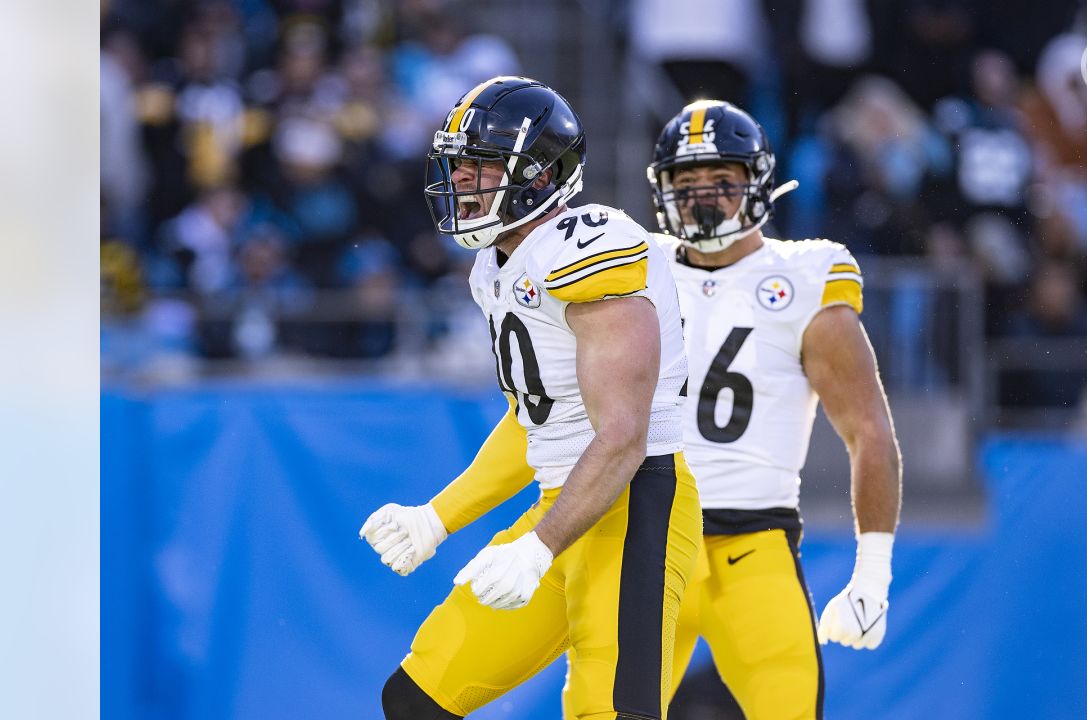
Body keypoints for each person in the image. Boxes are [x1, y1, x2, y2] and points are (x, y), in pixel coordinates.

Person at [358, 76, 701, 720]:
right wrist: (439, 517)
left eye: (480, 168)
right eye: (458, 167)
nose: (460, 182)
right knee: (416, 700)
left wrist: (540, 545)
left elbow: (623, 436)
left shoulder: (591, 248)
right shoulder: (497, 266)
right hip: (566, 504)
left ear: (540, 176)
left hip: (636, 507)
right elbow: (536, 420)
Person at [646, 100, 903, 718]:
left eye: (722, 183)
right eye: (687, 183)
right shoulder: (632, 269)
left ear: (756, 184)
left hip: (753, 543)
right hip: (644, 544)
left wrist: (873, 575)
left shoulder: (806, 274)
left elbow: (869, 430)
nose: (704, 198)